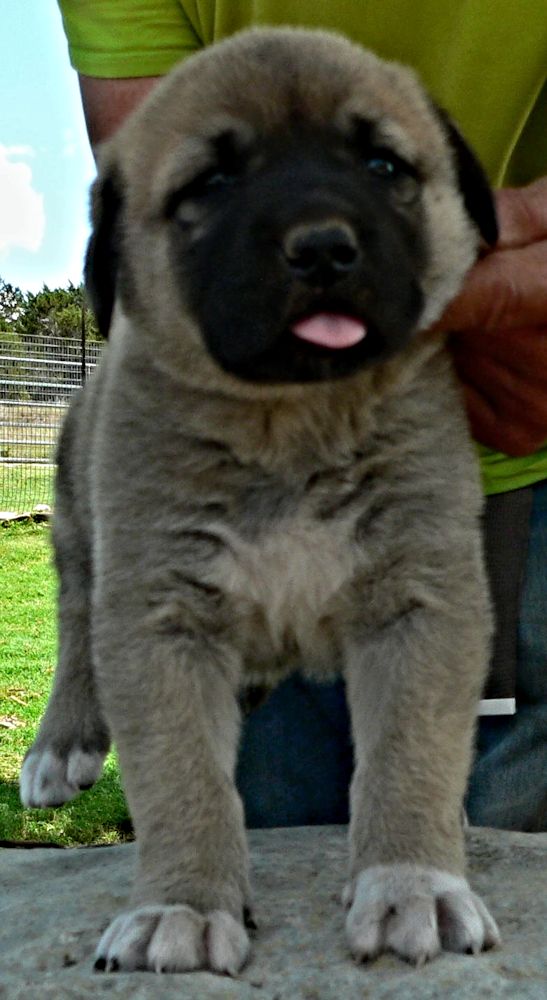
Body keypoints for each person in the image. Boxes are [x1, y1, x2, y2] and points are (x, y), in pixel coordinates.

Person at [56, 0, 547, 831]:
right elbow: (148, 192)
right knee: (262, 851)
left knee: (503, 875)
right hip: (225, 472)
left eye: (380, 164)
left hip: (513, 462)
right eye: (217, 181)